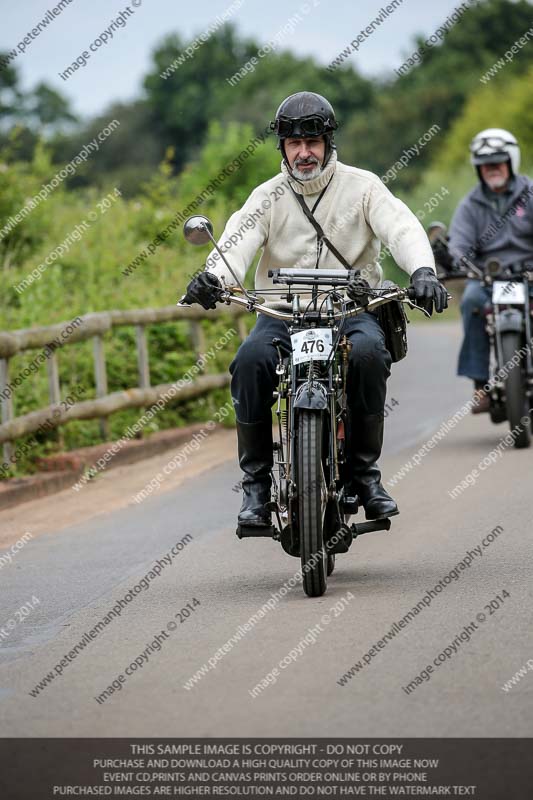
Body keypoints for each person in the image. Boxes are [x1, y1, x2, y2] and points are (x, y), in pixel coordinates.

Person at [183, 92, 447, 528]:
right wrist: (214, 276)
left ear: (328, 142)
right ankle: (255, 488)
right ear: (283, 148)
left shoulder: (363, 186)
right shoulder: (266, 197)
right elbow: (237, 242)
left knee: (367, 355)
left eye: (313, 142)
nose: (304, 153)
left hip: (350, 308)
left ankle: (365, 477)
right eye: (294, 144)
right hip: (283, 313)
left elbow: (400, 227)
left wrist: (422, 270)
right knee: (248, 362)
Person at [448, 128, 533, 412]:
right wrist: (461, 260)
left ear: (511, 161)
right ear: (478, 168)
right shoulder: (470, 204)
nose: (492, 169)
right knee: (471, 301)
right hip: (487, 278)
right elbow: (458, 244)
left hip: (530, 275)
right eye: (486, 164)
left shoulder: (530, 193)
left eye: (497, 162)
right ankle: (479, 385)